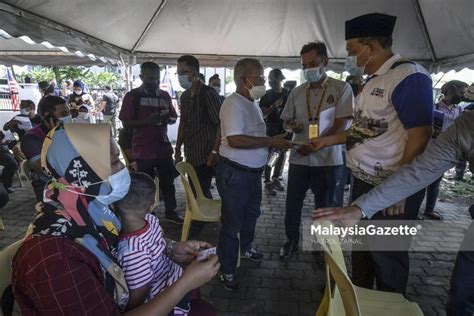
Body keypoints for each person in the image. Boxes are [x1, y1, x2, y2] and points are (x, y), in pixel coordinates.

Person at [12, 123, 219, 315]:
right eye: (113, 161)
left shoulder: (94, 205)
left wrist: (171, 248)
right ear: (83, 171)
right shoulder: (55, 260)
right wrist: (185, 282)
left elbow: (127, 244)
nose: (124, 168)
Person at [310, 13, 434, 294]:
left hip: (393, 187)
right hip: (364, 182)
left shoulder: (408, 76)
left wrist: (400, 188)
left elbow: (420, 134)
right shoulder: (373, 80)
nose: (351, 57)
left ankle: (389, 306)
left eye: (354, 51)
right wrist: (326, 141)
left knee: (387, 258)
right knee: (362, 251)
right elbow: (365, 130)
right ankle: (360, 301)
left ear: (373, 47)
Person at [314, 110, 474, 316]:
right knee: (461, 301)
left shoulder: (412, 81)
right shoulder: (467, 125)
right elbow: (420, 171)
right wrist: (360, 208)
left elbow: (419, 133)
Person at [216, 57, 292, 291]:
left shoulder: (252, 104)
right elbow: (235, 140)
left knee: (252, 214)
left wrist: (278, 140)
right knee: (231, 224)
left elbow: (254, 135)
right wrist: (270, 141)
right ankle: (226, 269)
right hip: (235, 173)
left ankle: (246, 248)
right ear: (243, 79)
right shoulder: (233, 103)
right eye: (258, 76)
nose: (262, 80)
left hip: (251, 174)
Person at [279, 42, 353, 260]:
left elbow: (342, 123)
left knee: (327, 208)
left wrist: (319, 142)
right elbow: (286, 122)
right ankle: (291, 240)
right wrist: (292, 126)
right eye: (304, 65)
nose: (308, 69)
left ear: (325, 62)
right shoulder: (297, 92)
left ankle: (324, 250)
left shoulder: (341, 89)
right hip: (299, 158)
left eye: (312, 64)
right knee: (293, 204)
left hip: (329, 160)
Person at [117, 172, 195, 314]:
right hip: (175, 277)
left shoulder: (132, 251)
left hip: (167, 298)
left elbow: (141, 289)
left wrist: (128, 311)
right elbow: (160, 241)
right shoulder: (151, 220)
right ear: (152, 206)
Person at [119, 62, 182, 224]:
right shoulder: (133, 96)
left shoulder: (165, 95)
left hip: (163, 148)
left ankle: (171, 212)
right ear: (141, 77)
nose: (154, 81)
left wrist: (168, 118)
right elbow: (126, 123)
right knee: (144, 186)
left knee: (168, 183)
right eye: (150, 78)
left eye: (156, 78)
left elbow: (174, 117)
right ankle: (148, 216)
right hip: (143, 149)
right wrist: (147, 121)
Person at [175, 55, 222, 199]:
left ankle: (201, 219)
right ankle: (200, 215)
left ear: (194, 73)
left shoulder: (208, 93)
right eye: (178, 73)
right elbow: (183, 122)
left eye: (183, 72)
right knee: (195, 189)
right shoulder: (184, 96)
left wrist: (214, 152)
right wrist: (177, 148)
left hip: (206, 154)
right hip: (191, 152)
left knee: (202, 189)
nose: (179, 76)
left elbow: (220, 124)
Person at [422, 80, 468, 220]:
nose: (462, 95)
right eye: (461, 92)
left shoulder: (459, 110)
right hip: (430, 149)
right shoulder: (434, 107)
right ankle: (413, 208)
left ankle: (429, 209)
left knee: (436, 181)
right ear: (450, 91)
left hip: (446, 152)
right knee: (421, 181)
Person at [20, 96, 70, 202]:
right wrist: (58, 137)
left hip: (73, 179)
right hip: (49, 187)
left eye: (68, 112)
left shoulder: (68, 130)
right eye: (63, 114)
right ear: (48, 116)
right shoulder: (31, 138)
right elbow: (46, 170)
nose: (68, 117)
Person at [259, 68, 289, 196]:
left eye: (274, 79)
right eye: (270, 79)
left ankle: (276, 178)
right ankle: (267, 181)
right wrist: (274, 106)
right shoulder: (266, 95)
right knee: (271, 155)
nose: (271, 81)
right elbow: (263, 115)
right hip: (271, 129)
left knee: (281, 155)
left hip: (285, 128)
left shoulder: (288, 93)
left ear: (280, 79)